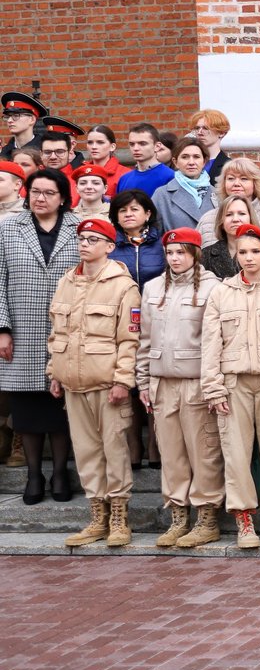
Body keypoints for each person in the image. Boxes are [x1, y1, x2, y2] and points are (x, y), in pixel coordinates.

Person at [46, 217, 141, 548]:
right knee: (86, 452)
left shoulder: (122, 286)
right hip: (73, 382)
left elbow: (130, 339)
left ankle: (118, 517)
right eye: (82, 239)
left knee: (114, 449)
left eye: (92, 239)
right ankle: (97, 516)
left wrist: (122, 380)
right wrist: (53, 372)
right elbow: (58, 333)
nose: (84, 244)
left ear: (109, 247)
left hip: (106, 384)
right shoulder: (66, 282)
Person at [200, 222, 260, 548]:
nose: (249, 258)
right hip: (232, 382)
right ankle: (243, 520)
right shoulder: (221, 293)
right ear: (235, 255)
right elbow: (210, 344)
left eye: (256, 251)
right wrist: (212, 388)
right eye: (243, 252)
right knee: (236, 453)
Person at [137, 227, 225, 550]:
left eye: (181, 253)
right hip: (162, 381)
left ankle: (207, 517)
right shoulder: (152, 288)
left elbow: (216, 340)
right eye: (170, 253)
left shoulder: (213, 287)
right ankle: (178, 514)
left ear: (195, 254)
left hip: (196, 381)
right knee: (171, 453)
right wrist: (143, 381)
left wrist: (214, 383)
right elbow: (144, 341)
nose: (175, 259)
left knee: (204, 452)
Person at [0, 171, 80, 503]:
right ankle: (33, 475)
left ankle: (60, 473)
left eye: (49, 192)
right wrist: (2, 328)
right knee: (28, 407)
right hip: (22, 329)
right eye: (35, 191)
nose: (40, 198)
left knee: (61, 409)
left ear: (63, 197)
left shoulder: (80, 229)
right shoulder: (7, 228)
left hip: (68, 330)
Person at [198, 157, 260, 252]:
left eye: (244, 179)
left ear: (255, 183)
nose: (236, 183)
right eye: (231, 178)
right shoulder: (207, 220)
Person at [152, 138, 215, 231]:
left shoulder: (216, 194)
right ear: (175, 162)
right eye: (185, 157)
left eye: (196, 157)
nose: (191, 162)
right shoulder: (162, 195)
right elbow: (153, 233)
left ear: (204, 162)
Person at [115, 122, 175, 199]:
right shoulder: (124, 179)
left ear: (157, 146)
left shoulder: (170, 176)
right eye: (132, 144)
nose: (135, 148)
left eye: (142, 143)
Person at [0, 91, 48, 159]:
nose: (9, 120)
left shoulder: (45, 151)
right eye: (7, 117)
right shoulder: (4, 153)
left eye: (16, 116)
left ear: (32, 120)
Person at [188, 109, 233, 181]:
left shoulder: (230, 166)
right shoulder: (188, 162)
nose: (200, 132)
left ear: (221, 133)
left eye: (205, 128)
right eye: (197, 128)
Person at [83, 125, 128, 195]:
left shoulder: (125, 174)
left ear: (112, 147)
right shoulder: (81, 172)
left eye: (100, 142)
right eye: (90, 142)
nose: (94, 147)